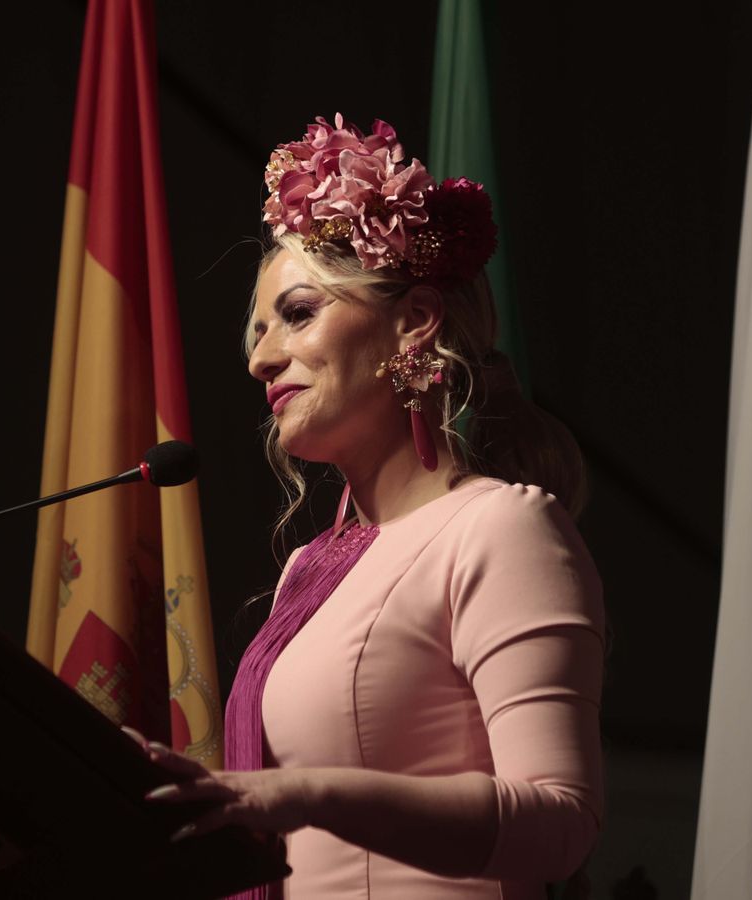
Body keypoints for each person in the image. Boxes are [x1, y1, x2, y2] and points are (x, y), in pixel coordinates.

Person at [136, 114, 606, 899]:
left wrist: (311, 791)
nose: (260, 359)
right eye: (256, 332)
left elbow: (560, 824)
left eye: (296, 314)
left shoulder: (500, 527)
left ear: (414, 323)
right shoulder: (307, 571)